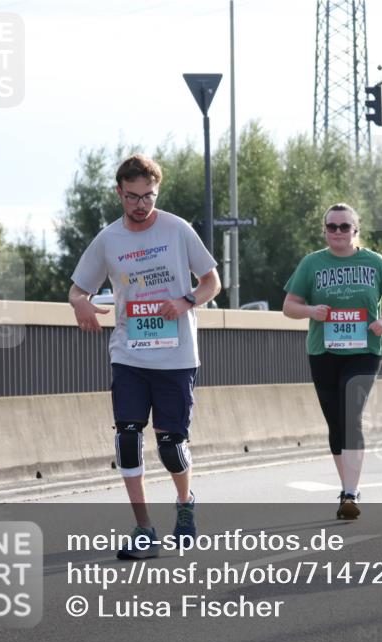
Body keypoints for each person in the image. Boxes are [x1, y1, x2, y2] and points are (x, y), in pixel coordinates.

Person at [69, 154, 221, 558]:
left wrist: (186, 300)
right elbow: (77, 288)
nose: (141, 204)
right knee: (128, 439)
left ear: (157, 192)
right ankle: (143, 528)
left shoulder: (177, 230)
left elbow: (212, 282)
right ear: (119, 193)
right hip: (129, 355)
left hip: (177, 356)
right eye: (133, 196)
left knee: (171, 445)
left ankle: (185, 503)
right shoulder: (108, 239)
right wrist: (80, 304)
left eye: (148, 196)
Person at [282, 203, 382, 520]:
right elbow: (289, 306)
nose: (338, 232)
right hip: (323, 351)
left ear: (355, 230)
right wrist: (311, 311)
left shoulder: (374, 262)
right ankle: (346, 486)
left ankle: (351, 492)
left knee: (351, 414)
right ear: (324, 231)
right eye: (332, 227)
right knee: (335, 423)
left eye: (344, 226)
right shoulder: (312, 264)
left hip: (365, 350)